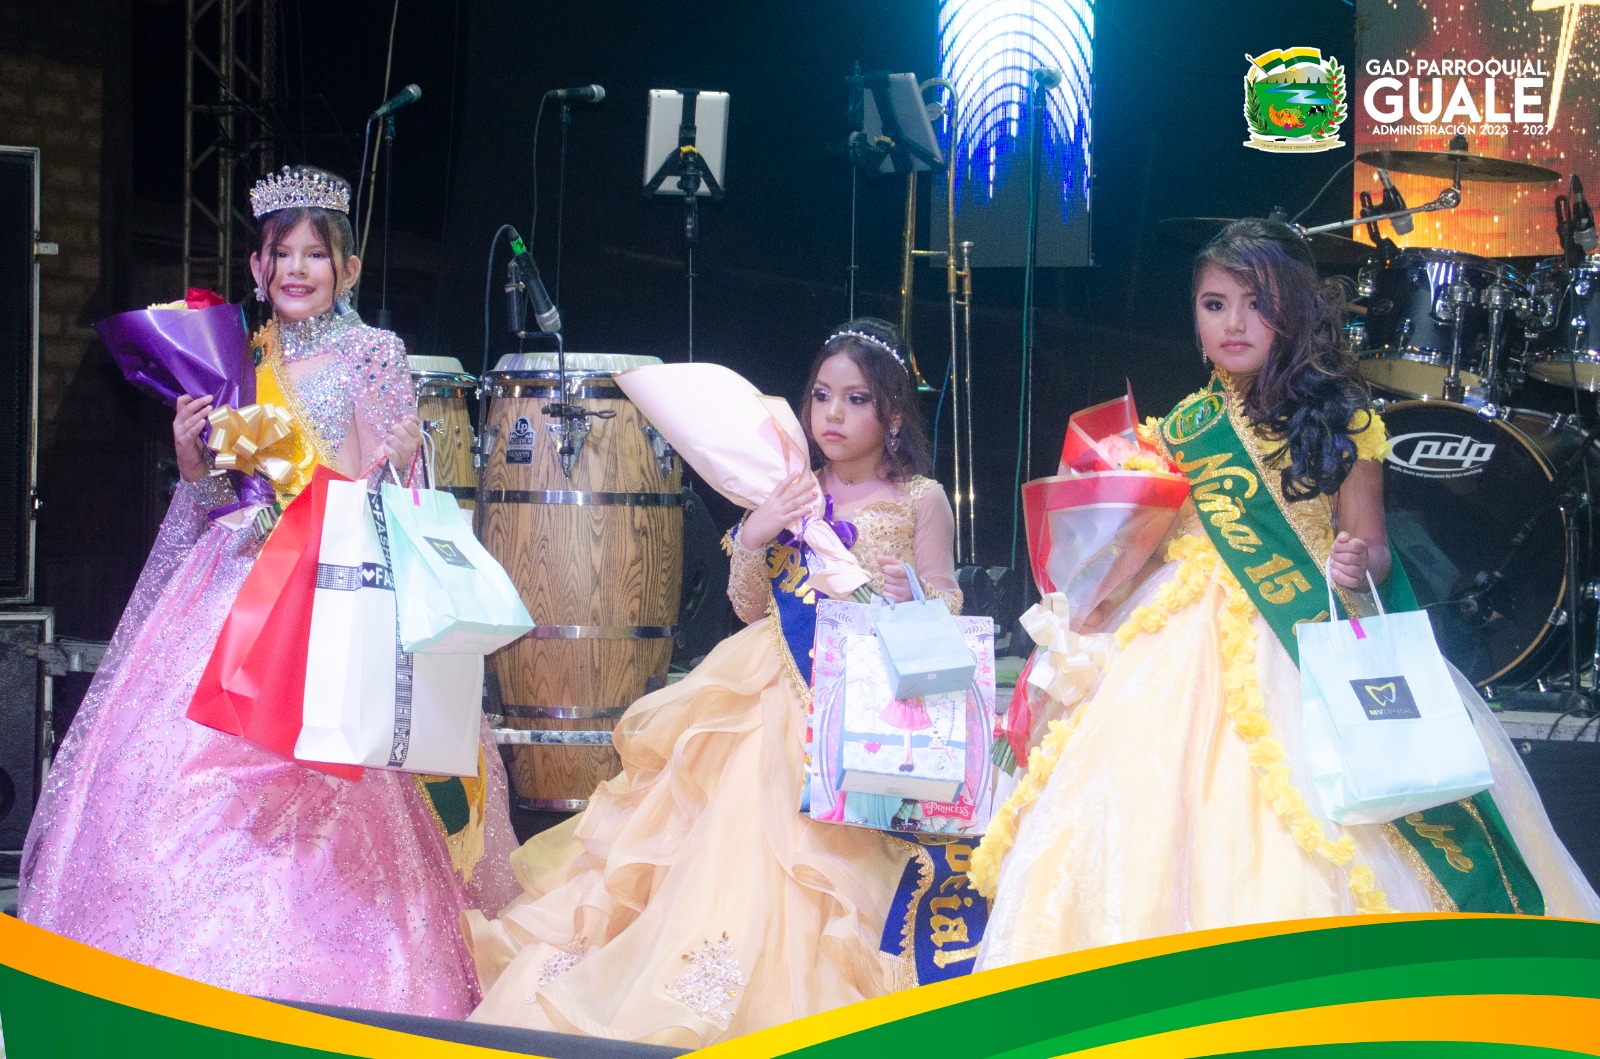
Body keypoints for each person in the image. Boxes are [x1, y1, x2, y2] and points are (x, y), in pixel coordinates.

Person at [971, 219, 1600, 969]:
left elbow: (1373, 546)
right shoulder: (1178, 431)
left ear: (1294, 312)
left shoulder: (1347, 423)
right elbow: (1138, 550)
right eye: (1215, 304)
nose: (1233, 324)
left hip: (1299, 637)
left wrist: (1356, 560)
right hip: (1175, 643)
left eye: (1256, 304)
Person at [19, 165, 520, 1016]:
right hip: (237, 590)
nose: (296, 270)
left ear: (347, 269)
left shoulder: (372, 352)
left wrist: (398, 454)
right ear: (255, 268)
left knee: (327, 783)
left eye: (314, 255)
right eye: (280, 254)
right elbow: (218, 500)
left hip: (330, 594)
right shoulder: (243, 358)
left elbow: (386, 486)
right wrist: (193, 460)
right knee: (182, 778)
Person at [464, 319, 963, 1046]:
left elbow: (948, 600)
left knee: (823, 865)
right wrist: (757, 532)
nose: (832, 413)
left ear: (892, 414)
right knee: (725, 840)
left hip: (858, 704)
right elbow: (747, 605)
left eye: (856, 399)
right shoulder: (787, 483)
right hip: (764, 689)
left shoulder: (921, 498)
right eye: (821, 395)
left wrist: (911, 591)